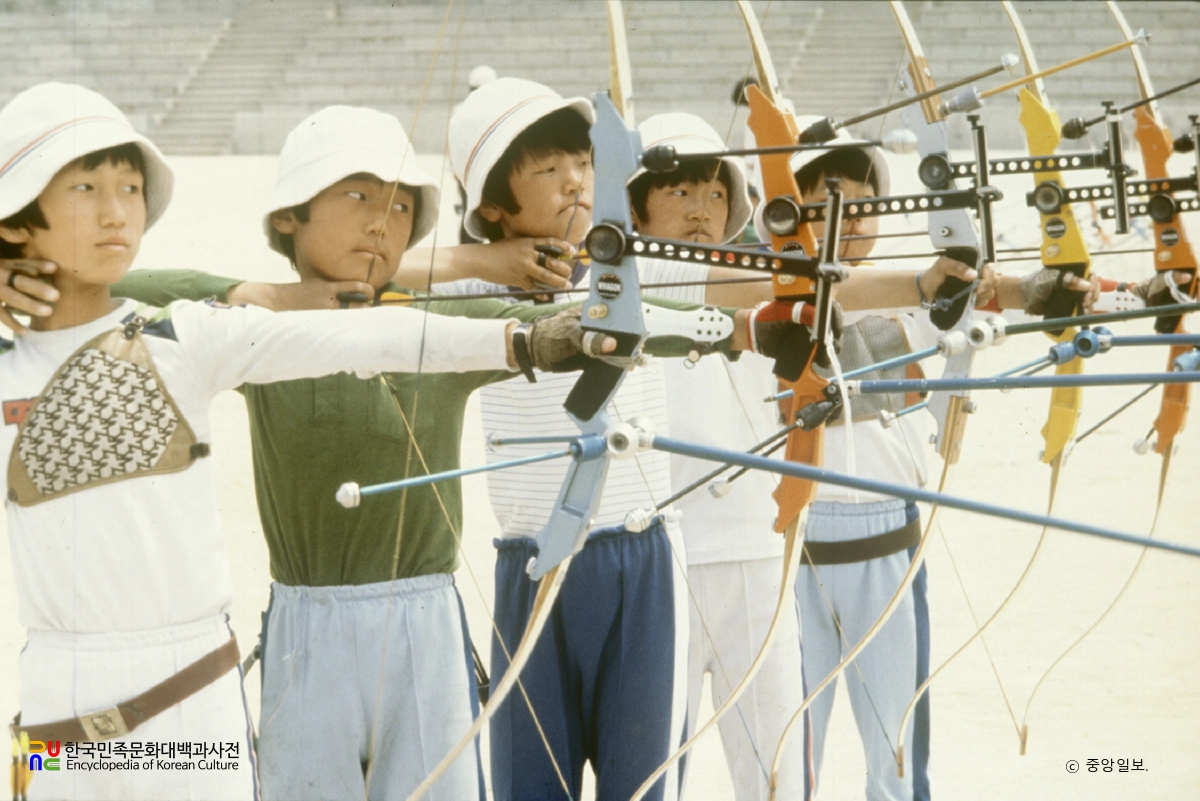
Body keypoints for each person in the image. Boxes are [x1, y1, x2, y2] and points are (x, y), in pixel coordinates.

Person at [0, 84, 605, 801]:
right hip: (62, 707)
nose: (114, 211)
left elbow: (376, 334)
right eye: (84, 188)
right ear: (18, 215)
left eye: (129, 188)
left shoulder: (186, 334)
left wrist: (524, 338)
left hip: (195, 700)